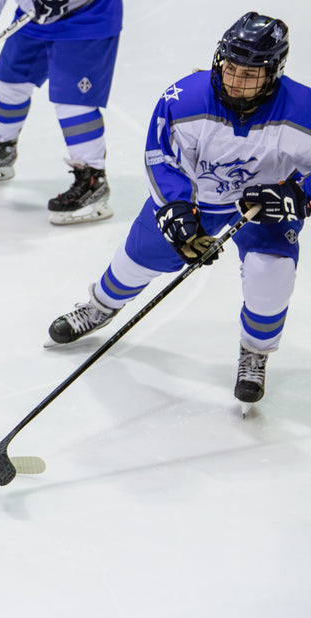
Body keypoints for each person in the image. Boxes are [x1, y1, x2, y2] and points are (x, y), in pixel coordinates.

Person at [46, 13, 310, 409]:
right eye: (231, 68)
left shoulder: (303, 110)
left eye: (250, 73)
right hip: (195, 201)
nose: (236, 80)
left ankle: (255, 352)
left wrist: (300, 196)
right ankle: (100, 305)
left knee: (271, 277)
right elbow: (161, 158)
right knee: (133, 262)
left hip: (263, 211)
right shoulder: (183, 99)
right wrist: (176, 212)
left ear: (274, 71)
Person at [0, 0, 123, 224]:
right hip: (34, 17)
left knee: (73, 104)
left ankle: (93, 179)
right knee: (9, 83)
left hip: (86, 17)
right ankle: (1, 147)